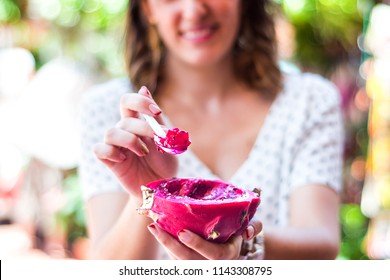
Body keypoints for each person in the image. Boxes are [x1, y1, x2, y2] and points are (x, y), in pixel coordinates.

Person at [78, 0, 344, 260]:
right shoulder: (108, 110)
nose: (194, 10)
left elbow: (321, 242)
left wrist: (243, 243)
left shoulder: (309, 100)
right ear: (147, 7)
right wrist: (148, 194)